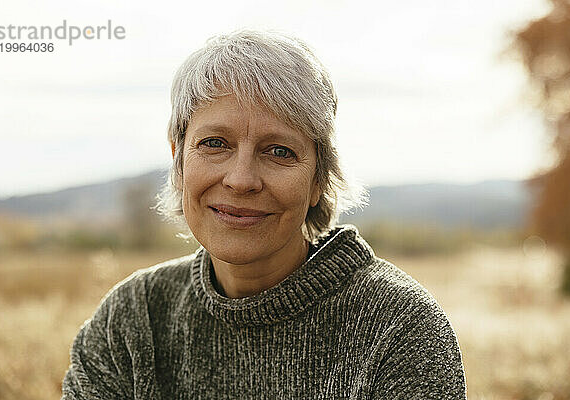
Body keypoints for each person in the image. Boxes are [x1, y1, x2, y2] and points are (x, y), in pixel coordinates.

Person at [61, 30, 467, 399]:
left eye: (279, 151)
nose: (241, 180)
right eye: (215, 143)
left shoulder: (400, 328)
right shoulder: (133, 321)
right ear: (179, 159)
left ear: (317, 181)